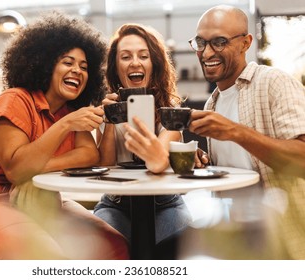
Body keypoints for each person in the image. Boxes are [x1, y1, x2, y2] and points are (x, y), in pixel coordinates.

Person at [0, 11, 128, 260]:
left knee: (114, 246)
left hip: (44, 199)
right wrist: (64, 126)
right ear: (45, 63)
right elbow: (17, 170)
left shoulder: (72, 111)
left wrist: (36, 173)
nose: (77, 71)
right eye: (67, 62)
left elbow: (89, 154)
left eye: (84, 67)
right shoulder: (13, 101)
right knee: (45, 257)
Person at [187, 5, 305, 259]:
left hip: (283, 240)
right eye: (200, 42)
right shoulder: (213, 103)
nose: (207, 52)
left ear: (246, 43)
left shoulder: (274, 83)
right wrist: (203, 163)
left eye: (219, 42)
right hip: (235, 236)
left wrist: (237, 132)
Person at [94, 23, 191, 258]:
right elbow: (105, 169)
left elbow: (157, 164)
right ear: (116, 68)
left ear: (153, 64)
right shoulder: (103, 110)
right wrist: (109, 121)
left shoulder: (171, 111)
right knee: (98, 251)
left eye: (143, 56)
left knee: (180, 253)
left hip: (164, 204)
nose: (135, 63)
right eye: (125, 57)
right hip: (115, 203)